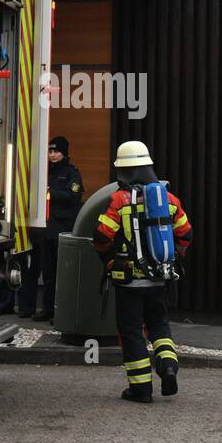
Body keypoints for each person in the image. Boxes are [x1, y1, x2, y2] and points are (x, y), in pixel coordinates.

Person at [92, 141, 193, 404]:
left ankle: (141, 389)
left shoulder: (119, 200)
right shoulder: (169, 199)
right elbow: (186, 234)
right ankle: (168, 366)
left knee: (132, 331)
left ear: (123, 171)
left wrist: (108, 257)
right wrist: (171, 258)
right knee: (159, 325)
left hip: (129, 283)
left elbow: (102, 234)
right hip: (160, 280)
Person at [33, 136, 83, 323]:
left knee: (62, 274)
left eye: (56, 151)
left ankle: (60, 312)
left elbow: (73, 196)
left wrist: (49, 193)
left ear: (64, 153)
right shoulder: (45, 172)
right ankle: (47, 309)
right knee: (48, 273)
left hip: (62, 229)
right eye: (50, 151)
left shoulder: (72, 173)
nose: (52, 155)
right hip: (46, 229)